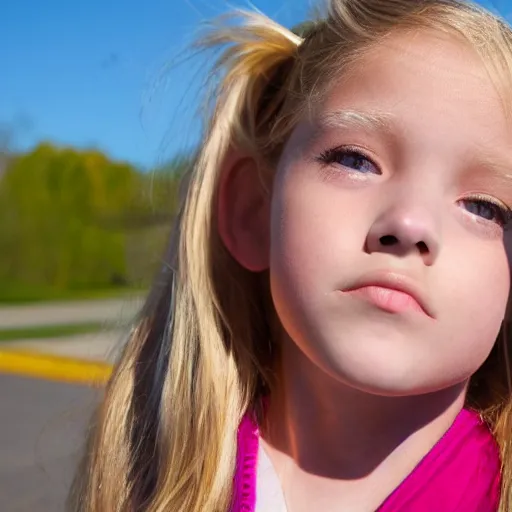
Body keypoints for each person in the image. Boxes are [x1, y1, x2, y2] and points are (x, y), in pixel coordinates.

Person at [69, 0, 512, 510]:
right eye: (355, 160)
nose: (410, 224)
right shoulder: (156, 481)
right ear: (253, 211)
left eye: (484, 207)